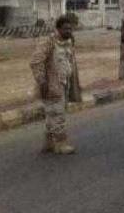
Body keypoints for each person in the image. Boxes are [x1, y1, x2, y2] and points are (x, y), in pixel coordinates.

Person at [30, 15, 81, 155]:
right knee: (57, 114)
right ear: (58, 29)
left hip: (64, 84)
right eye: (65, 28)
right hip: (51, 85)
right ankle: (61, 144)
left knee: (53, 113)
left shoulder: (68, 42)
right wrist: (42, 80)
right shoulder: (49, 42)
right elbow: (35, 62)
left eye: (70, 28)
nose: (68, 31)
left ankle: (48, 143)